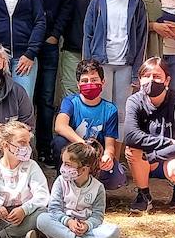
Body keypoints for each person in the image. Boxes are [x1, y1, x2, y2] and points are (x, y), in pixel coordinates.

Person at [22, 0, 75, 163]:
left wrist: (55, 34)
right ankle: (22, 147)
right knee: (23, 96)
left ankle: (43, 148)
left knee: (45, 97)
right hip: (24, 42)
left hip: (50, 42)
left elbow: (67, 4)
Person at [123, 58, 175, 212]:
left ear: (167, 80)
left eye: (157, 76)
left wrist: (153, 156)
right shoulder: (134, 101)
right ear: (140, 79)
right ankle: (143, 195)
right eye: (146, 76)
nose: (151, 80)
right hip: (149, 159)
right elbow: (131, 136)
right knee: (131, 150)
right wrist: (168, 142)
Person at [83, 0, 147, 118]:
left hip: (126, 64)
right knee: (101, 109)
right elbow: (88, 35)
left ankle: (118, 145)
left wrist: (136, 70)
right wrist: (88, 67)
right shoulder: (97, 1)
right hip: (101, 63)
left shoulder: (136, 2)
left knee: (121, 112)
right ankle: (102, 144)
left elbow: (141, 38)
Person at [37, 141, 121, 238]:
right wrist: (68, 222)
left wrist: (87, 225)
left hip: (83, 229)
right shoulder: (61, 181)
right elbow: (54, 209)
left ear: (84, 168)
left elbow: (98, 216)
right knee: (42, 219)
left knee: (114, 232)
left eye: (68, 164)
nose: (63, 168)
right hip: (63, 224)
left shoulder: (98, 188)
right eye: (63, 163)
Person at [53, 60, 127, 190]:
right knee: (59, 142)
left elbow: (110, 145)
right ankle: (65, 185)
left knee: (116, 178)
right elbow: (60, 126)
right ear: (78, 84)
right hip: (74, 152)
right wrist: (83, 145)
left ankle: (94, 190)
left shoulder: (110, 109)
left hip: (96, 155)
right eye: (85, 80)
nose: (89, 84)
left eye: (94, 80)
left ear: (102, 82)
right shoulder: (70, 102)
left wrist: (108, 157)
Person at [59, 0, 103, 99]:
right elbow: (62, 13)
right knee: (72, 94)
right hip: (73, 49)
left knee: (97, 93)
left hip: (100, 51)